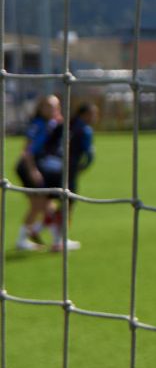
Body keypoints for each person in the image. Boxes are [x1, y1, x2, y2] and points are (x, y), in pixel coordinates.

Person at [37, 101, 94, 252]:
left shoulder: (63, 124)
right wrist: (81, 167)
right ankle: (59, 240)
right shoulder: (85, 130)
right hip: (68, 170)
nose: (95, 117)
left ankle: (39, 229)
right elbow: (89, 155)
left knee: (52, 201)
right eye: (93, 114)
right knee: (68, 204)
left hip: (50, 168)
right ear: (85, 114)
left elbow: (47, 144)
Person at [14, 95, 60, 251]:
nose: (52, 109)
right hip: (28, 166)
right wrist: (33, 170)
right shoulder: (37, 124)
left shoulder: (53, 124)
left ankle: (56, 238)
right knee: (39, 204)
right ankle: (23, 239)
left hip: (40, 166)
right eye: (48, 106)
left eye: (55, 106)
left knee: (48, 205)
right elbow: (27, 150)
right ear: (41, 108)